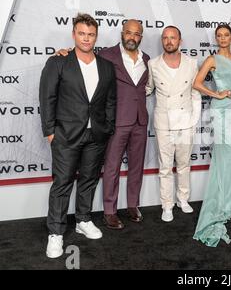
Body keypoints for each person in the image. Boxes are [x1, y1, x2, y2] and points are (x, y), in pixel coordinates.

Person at [56, 20, 151, 230]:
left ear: (140, 37)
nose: (132, 37)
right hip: (116, 120)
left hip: (140, 120)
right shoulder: (107, 55)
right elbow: (84, 60)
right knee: (111, 166)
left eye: (136, 34)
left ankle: (133, 205)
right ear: (122, 33)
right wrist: (65, 53)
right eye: (128, 32)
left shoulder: (146, 58)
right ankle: (110, 210)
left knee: (136, 166)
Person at [39, 14, 116, 258]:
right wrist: (50, 132)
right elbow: (47, 98)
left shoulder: (105, 66)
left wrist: (108, 126)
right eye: (81, 33)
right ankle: (56, 233)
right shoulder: (58, 62)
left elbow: (111, 100)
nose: (86, 38)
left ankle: (83, 220)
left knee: (89, 179)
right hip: (66, 135)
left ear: (96, 36)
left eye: (90, 34)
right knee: (62, 184)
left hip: (96, 135)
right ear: (74, 34)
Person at [192, 24, 231, 247]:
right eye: (219, 35)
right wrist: (215, 94)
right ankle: (223, 200)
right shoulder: (212, 60)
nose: (222, 38)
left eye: (226, 35)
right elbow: (197, 84)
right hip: (221, 110)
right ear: (216, 38)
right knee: (223, 156)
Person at [145, 26, 202, 222]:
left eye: (173, 38)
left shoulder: (191, 63)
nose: (169, 41)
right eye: (166, 38)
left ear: (180, 40)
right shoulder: (153, 64)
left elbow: (195, 93)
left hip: (185, 121)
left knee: (184, 164)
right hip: (163, 122)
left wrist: (194, 120)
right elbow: (148, 89)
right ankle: (167, 205)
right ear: (162, 41)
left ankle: (183, 200)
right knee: (165, 167)